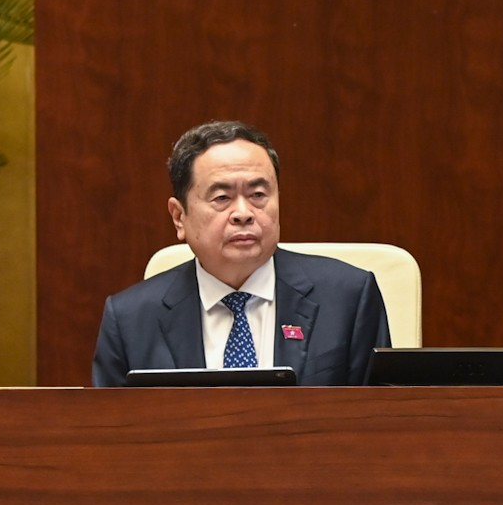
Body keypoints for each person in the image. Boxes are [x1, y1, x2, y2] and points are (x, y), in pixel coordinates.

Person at [93, 120, 391, 387]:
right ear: (179, 217)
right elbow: (110, 439)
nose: (243, 213)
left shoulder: (348, 298)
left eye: (258, 195)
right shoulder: (130, 320)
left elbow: (384, 428)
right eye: (222, 198)